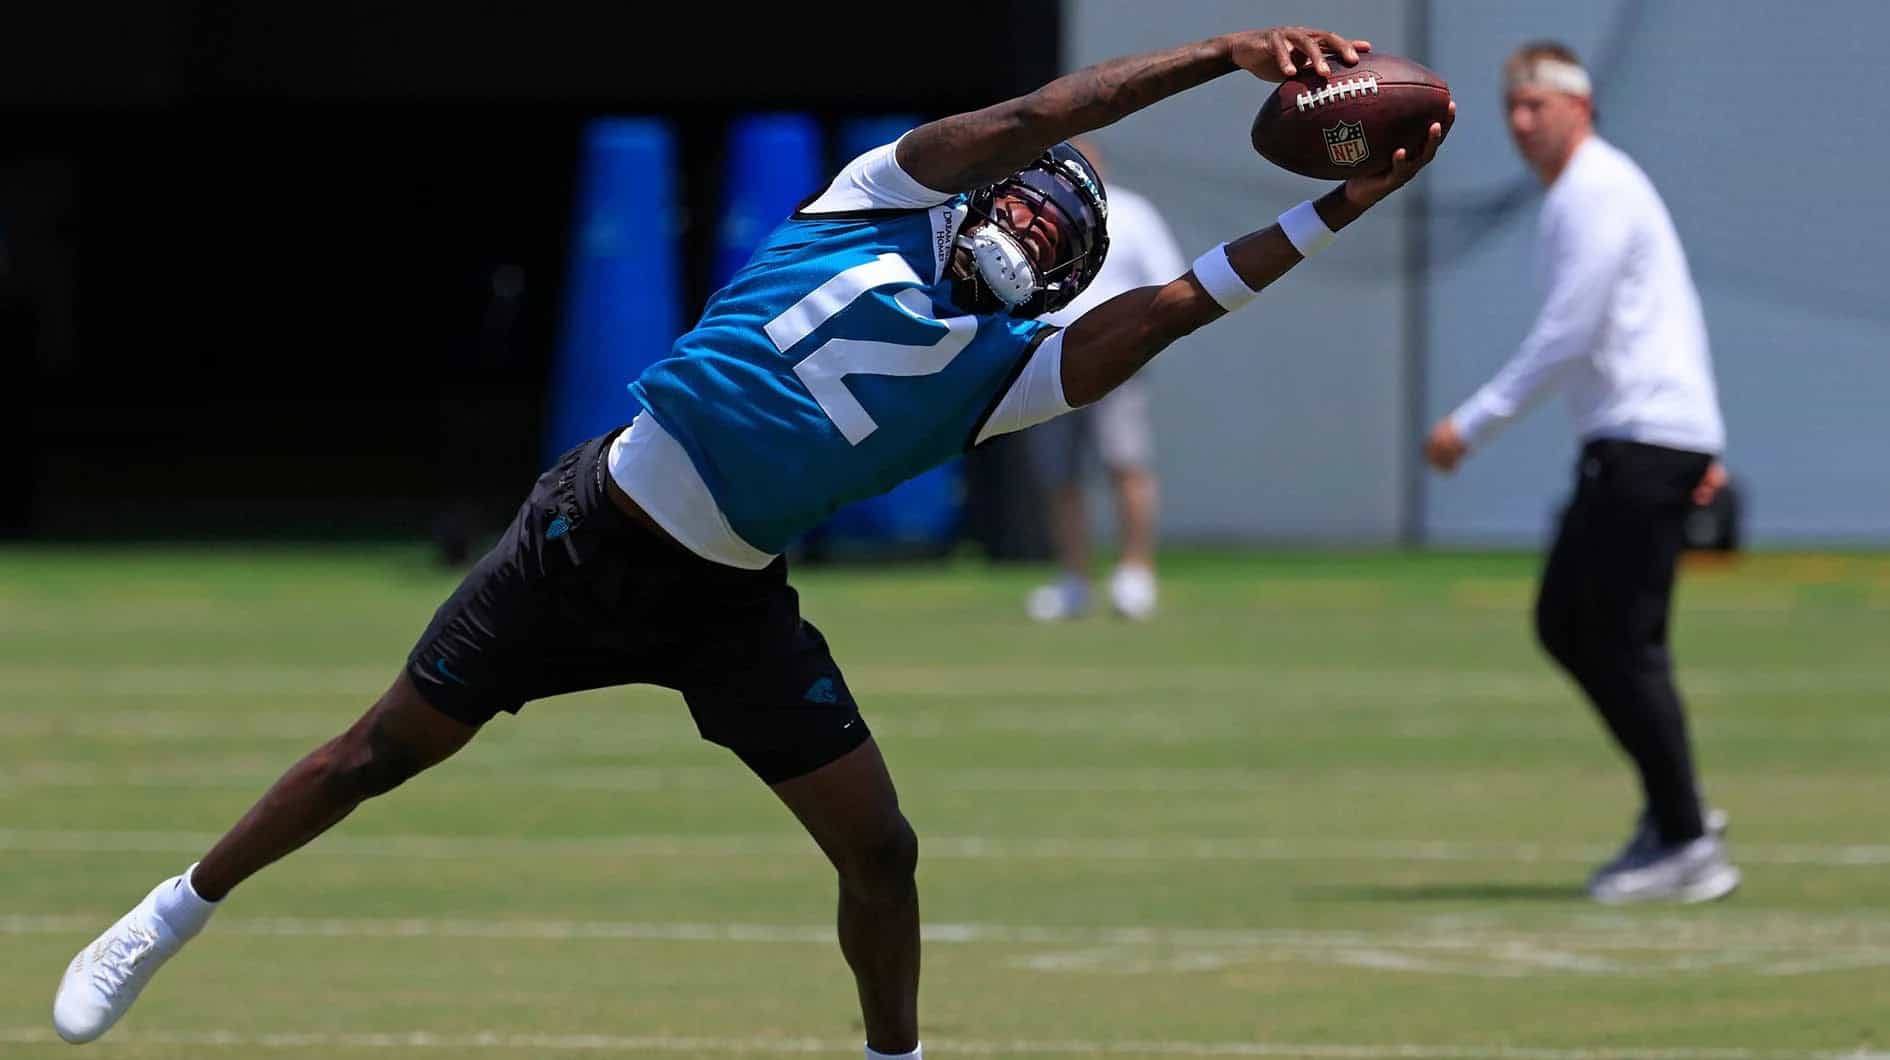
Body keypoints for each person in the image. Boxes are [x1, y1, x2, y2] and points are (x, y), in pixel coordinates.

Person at [54, 26, 1449, 1056]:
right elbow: (1040, 107)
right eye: (1023, 195)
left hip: (727, 607)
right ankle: (169, 912)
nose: (1028, 220)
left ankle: (892, 1058)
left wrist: (1338, 204)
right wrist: (1220, 56)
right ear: (981, 193)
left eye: (1056, 227)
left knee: (882, 852)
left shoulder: (1013, 372)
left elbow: (1189, 300)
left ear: (1072, 271)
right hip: (588, 534)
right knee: (378, 754)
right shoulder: (872, 200)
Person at [1422, 41, 1736, 905]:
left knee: (1614, 638)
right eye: (1512, 107)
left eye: (1540, 104)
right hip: (1643, 440)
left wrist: (1470, 424)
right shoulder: (1588, 192)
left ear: (1581, 106)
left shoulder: (1595, 190)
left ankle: (1684, 838)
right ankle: (1679, 815)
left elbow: (1570, 332)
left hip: (1643, 442)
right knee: (1577, 626)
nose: (1523, 121)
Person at [1023, 138, 1185, 622]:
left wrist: (1134, 341)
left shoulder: (1132, 213)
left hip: (1116, 362)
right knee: (1060, 474)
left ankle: (1135, 575)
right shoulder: (1033, 214)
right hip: (1046, 359)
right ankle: (1074, 579)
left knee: (1125, 462)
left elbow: (1168, 282)